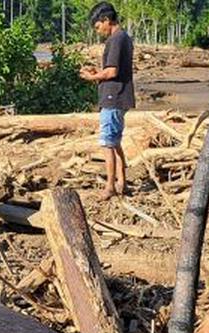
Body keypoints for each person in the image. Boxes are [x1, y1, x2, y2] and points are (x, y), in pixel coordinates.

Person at [79, 2, 135, 200]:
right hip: (121, 96)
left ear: (106, 20)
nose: (98, 31)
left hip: (114, 97)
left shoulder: (115, 40)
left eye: (98, 27)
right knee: (115, 142)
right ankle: (122, 181)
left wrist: (92, 77)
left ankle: (110, 186)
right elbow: (112, 69)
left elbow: (112, 71)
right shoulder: (124, 37)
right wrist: (98, 73)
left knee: (107, 143)